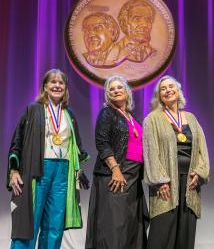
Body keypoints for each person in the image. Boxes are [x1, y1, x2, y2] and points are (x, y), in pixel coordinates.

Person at [7, 69, 90, 249]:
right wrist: (13, 171)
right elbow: (17, 140)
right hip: (38, 169)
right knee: (30, 219)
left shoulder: (69, 115)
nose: (57, 85)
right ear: (45, 86)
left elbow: (75, 148)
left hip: (62, 173)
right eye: (53, 82)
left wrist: (80, 171)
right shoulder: (33, 110)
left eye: (61, 83)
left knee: (55, 223)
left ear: (66, 88)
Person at [143, 75, 210, 249]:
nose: (167, 90)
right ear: (159, 95)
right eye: (163, 88)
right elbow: (150, 152)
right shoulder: (153, 118)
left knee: (185, 235)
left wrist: (200, 172)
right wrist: (160, 180)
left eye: (171, 86)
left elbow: (202, 149)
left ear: (178, 91)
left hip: (190, 183)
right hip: (166, 183)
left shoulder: (191, 118)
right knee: (162, 234)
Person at [85, 75, 149, 249]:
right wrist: (115, 169)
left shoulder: (131, 116)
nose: (115, 91)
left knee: (131, 224)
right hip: (116, 173)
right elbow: (102, 143)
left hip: (134, 175)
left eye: (119, 87)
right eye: (111, 89)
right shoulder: (107, 113)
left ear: (127, 92)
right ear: (108, 95)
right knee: (114, 225)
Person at [108, 0, 156, 64]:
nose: (145, 25)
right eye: (137, 19)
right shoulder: (113, 52)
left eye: (148, 20)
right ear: (124, 23)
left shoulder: (153, 53)